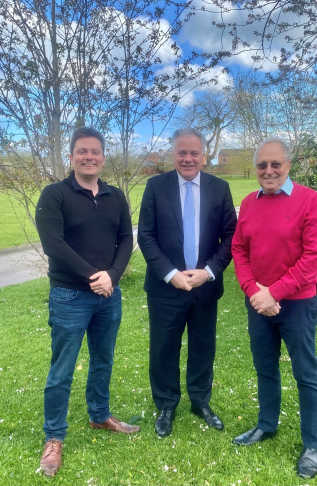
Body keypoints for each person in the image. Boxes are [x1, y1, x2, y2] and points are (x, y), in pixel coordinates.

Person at [35, 127, 140, 477]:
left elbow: (126, 238)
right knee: (62, 369)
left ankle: (99, 415)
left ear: (103, 157)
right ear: (72, 156)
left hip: (109, 296)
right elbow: (54, 245)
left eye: (95, 152)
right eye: (82, 151)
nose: (89, 157)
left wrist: (113, 274)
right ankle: (54, 438)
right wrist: (95, 277)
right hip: (69, 295)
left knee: (103, 360)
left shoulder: (115, 196)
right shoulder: (54, 195)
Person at [231, 138, 317, 479]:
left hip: (297, 304)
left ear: (289, 164)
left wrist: (275, 292)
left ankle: (312, 443)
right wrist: (252, 290)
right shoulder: (248, 203)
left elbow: (314, 257)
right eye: (262, 165)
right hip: (258, 302)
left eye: (276, 164)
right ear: (256, 168)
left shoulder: (310, 200)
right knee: (265, 369)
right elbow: (239, 250)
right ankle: (266, 425)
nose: (269, 171)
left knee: (306, 374)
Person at [137, 128, 237, 437]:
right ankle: (167, 404)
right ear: (173, 154)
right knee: (164, 348)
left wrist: (208, 271)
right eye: (182, 152)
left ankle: (200, 401)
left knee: (203, 347)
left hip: (205, 286)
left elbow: (231, 236)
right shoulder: (156, 186)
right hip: (166, 287)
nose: (188, 158)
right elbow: (146, 236)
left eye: (194, 152)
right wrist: (172, 274)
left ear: (203, 155)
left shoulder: (219, 188)